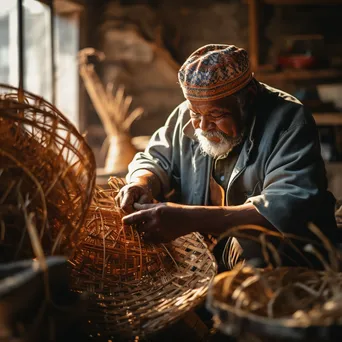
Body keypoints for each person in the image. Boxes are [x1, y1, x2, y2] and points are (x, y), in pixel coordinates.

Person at [117, 44, 338, 269]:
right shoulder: (187, 112)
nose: (202, 126)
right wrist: (141, 183)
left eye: (216, 114)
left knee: (252, 244)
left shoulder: (289, 120)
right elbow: (154, 160)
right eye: (196, 113)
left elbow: (286, 206)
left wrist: (188, 218)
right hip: (208, 255)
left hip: (289, 255)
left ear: (249, 97)